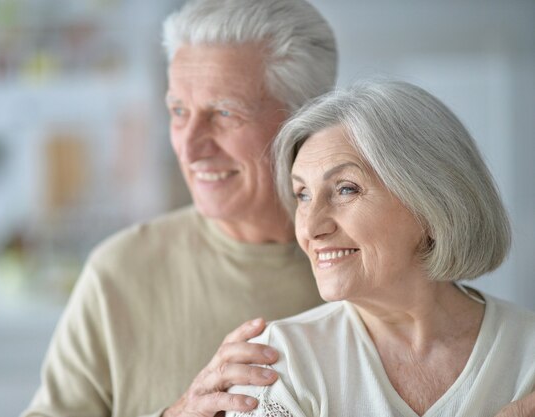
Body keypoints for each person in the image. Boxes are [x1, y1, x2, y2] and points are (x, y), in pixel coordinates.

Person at [21, 1, 337, 416]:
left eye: (224, 112)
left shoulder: (371, 269)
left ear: (305, 119)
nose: (188, 148)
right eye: (178, 112)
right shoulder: (119, 273)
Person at [227, 80, 535, 417]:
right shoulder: (278, 359)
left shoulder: (527, 349)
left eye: (346, 189)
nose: (311, 228)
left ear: (432, 204)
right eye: (303, 194)